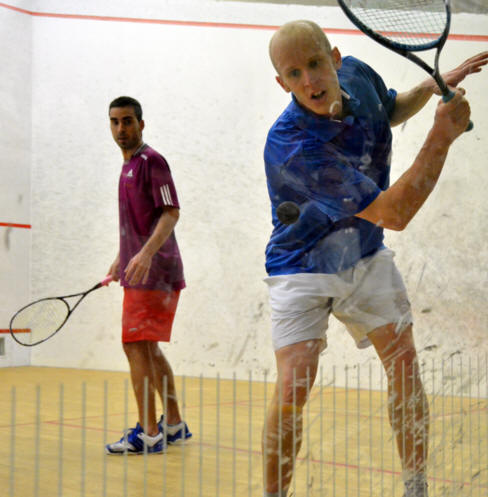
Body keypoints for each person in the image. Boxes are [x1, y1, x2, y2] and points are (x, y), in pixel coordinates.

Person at [262, 20, 487, 497]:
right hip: (301, 265)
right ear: (282, 83)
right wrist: (441, 136)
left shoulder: (359, 75)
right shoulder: (292, 147)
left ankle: (415, 487)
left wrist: (425, 90)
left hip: (364, 253)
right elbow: (393, 213)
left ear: (336, 58)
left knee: (404, 365)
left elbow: (387, 110)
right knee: (293, 387)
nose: (310, 80)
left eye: (316, 64)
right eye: (295, 73)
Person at [105, 96, 191, 455]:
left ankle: (149, 433)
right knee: (147, 348)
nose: (121, 129)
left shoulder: (151, 161)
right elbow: (139, 224)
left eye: (128, 121)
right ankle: (173, 424)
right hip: (142, 270)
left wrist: (144, 254)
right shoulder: (127, 166)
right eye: (115, 122)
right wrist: (121, 258)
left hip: (155, 273)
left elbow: (170, 213)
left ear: (141, 124)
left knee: (134, 345)